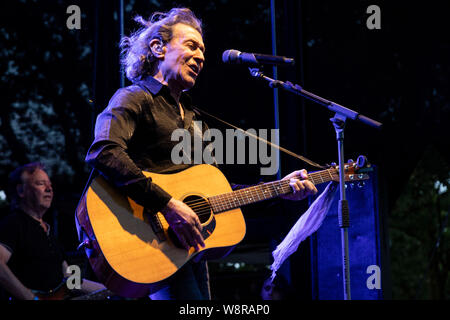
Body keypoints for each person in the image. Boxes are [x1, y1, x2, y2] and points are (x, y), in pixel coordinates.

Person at [83, 7, 317, 300]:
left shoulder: (195, 123)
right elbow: (104, 152)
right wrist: (168, 204)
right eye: (191, 46)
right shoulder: (134, 97)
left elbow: (218, 194)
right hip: (147, 243)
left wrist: (278, 189)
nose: (201, 57)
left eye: (203, 51)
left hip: (187, 251)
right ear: (158, 48)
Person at [0, 162, 106, 300]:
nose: (49, 189)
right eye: (40, 183)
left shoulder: (48, 232)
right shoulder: (13, 224)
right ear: (21, 191)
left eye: (49, 184)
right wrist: (30, 297)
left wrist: (110, 291)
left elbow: (71, 281)